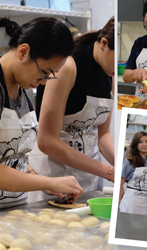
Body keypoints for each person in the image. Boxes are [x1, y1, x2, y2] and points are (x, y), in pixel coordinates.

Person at [0, 17, 83, 215]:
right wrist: (49, 181)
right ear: (23, 51)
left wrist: (39, 181)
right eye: (44, 72)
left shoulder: (25, 87)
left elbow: (14, 156)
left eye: (51, 75)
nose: (45, 82)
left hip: (13, 208)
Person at [28, 17, 115, 202]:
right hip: (54, 173)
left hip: (90, 176)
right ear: (104, 43)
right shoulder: (67, 66)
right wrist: (107, 171)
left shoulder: (111, 71)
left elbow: (104, 134)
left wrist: (121, 167)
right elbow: (46, 141)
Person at [119, 131, 147, 215]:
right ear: (135, 144)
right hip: (133, 201)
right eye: (140, 142)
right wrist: (118, 202)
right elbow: (120, 183)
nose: (144, 144)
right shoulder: (129, 161)